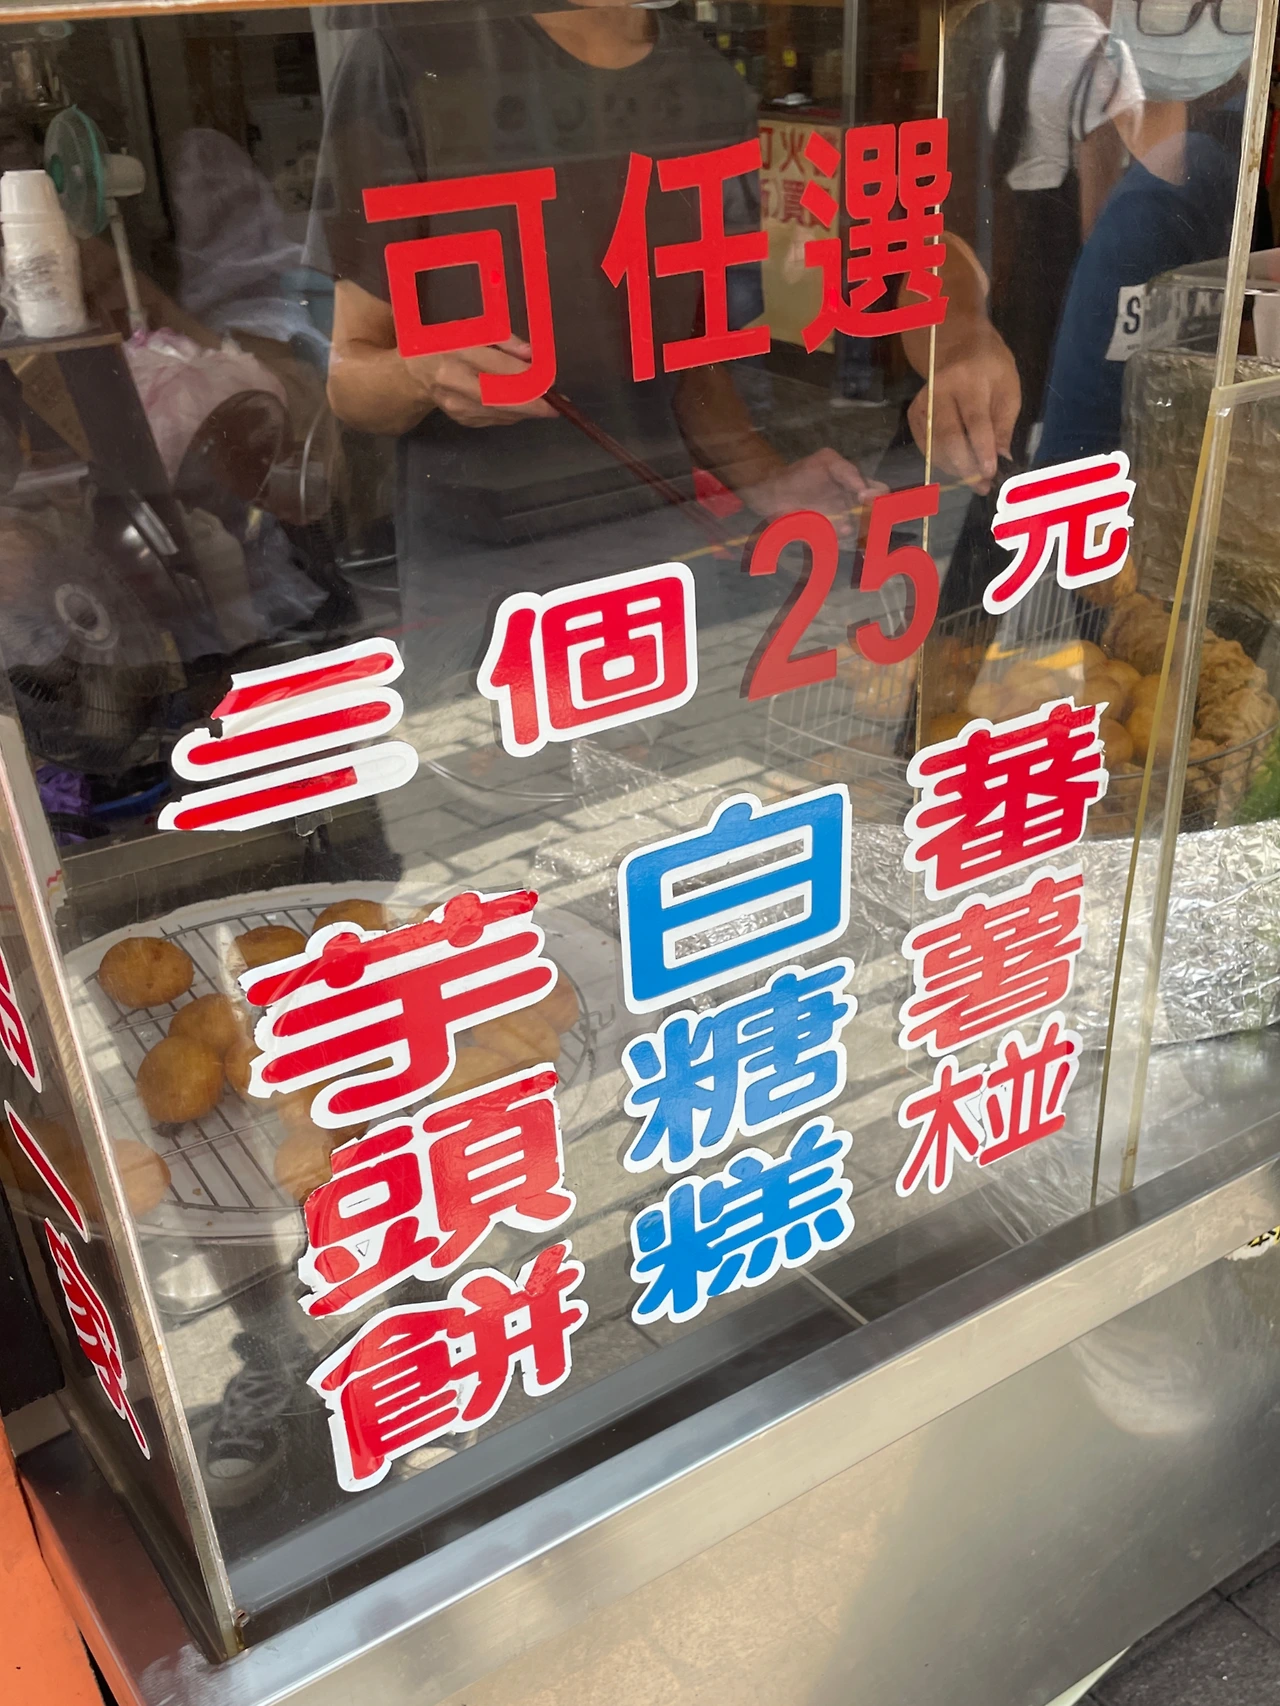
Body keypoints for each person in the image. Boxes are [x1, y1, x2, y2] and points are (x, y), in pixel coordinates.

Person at [306, 0, 880, 581]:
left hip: (658, 545)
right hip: (479, 559)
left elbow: (690, 363)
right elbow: (349, 379)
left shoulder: (706, 83)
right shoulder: (410, 53)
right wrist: (421, 372)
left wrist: (770, 480)